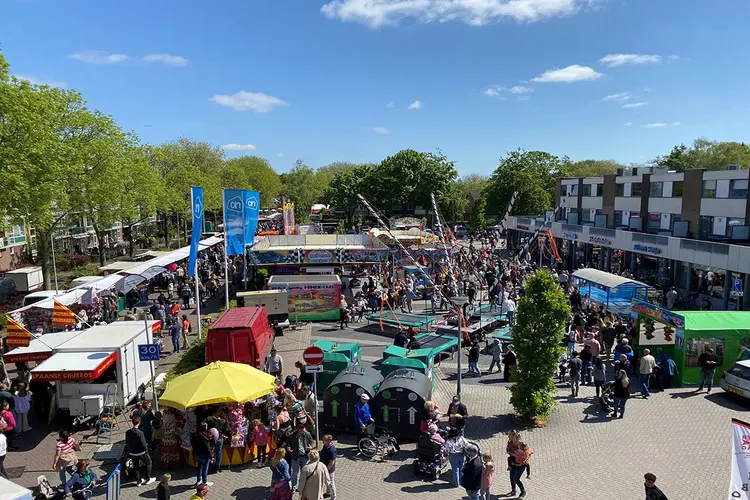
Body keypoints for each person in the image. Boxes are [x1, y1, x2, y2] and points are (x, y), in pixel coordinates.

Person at [126, 417, 156, 485]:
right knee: (149, 462)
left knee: (136, 466)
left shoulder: (128, 432)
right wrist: (146, 450)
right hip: (141, 452)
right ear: (139, 423)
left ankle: (138, 481)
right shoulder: (140, 433)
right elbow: (143, 444)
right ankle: (148, 478)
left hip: (132, 453)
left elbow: (127, 442)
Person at [289, 423, 313, 489]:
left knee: (304, 472)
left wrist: (310, 447)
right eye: (301, 431)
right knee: (294, 473)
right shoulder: (292, 436)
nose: (302, 432)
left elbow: (311, 441)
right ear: (297, 430)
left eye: (303, 430)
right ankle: (294, 486)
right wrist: (288, 448)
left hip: (304, 456)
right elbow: (288, 443)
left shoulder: (307, 434)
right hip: (295, 457)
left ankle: (302, 486)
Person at [191, 423, 214, 487]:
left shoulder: (195, 435)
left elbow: (192, 444)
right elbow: (207, 448)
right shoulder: (204, 438)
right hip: (204, 455)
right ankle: (204, 481)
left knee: (199, 467)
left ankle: (198, 480)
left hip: (197, 454)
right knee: (204, 468)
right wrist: (211, 456)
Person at [320, 435, 337, 500]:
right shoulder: (325, 446)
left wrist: (326, 470)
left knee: (331, 483)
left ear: (328, 441)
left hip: (329, 470)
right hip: (325, 467)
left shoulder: (332, 450)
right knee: (327, 482)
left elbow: (331, 462)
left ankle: (333, 497)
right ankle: (328, 492)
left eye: (324, 439)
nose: (322, 440)